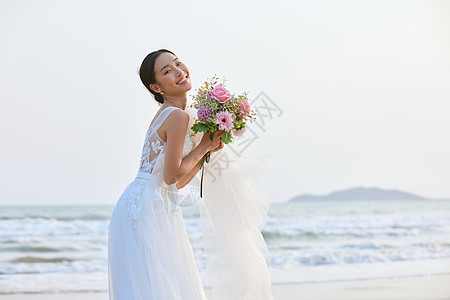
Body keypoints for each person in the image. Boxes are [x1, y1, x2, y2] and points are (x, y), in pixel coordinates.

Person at [108, 49, 274, 300]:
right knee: (162, 285)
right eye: (167, 71)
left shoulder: (175, 113)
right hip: (147, 206)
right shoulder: (176, 116)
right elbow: (170, 177)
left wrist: (206, 148)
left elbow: (179, 180)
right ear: (156, 87)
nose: (178, 71)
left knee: (159, 285)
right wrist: (204, 146)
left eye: (177, 63)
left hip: (150, 203)